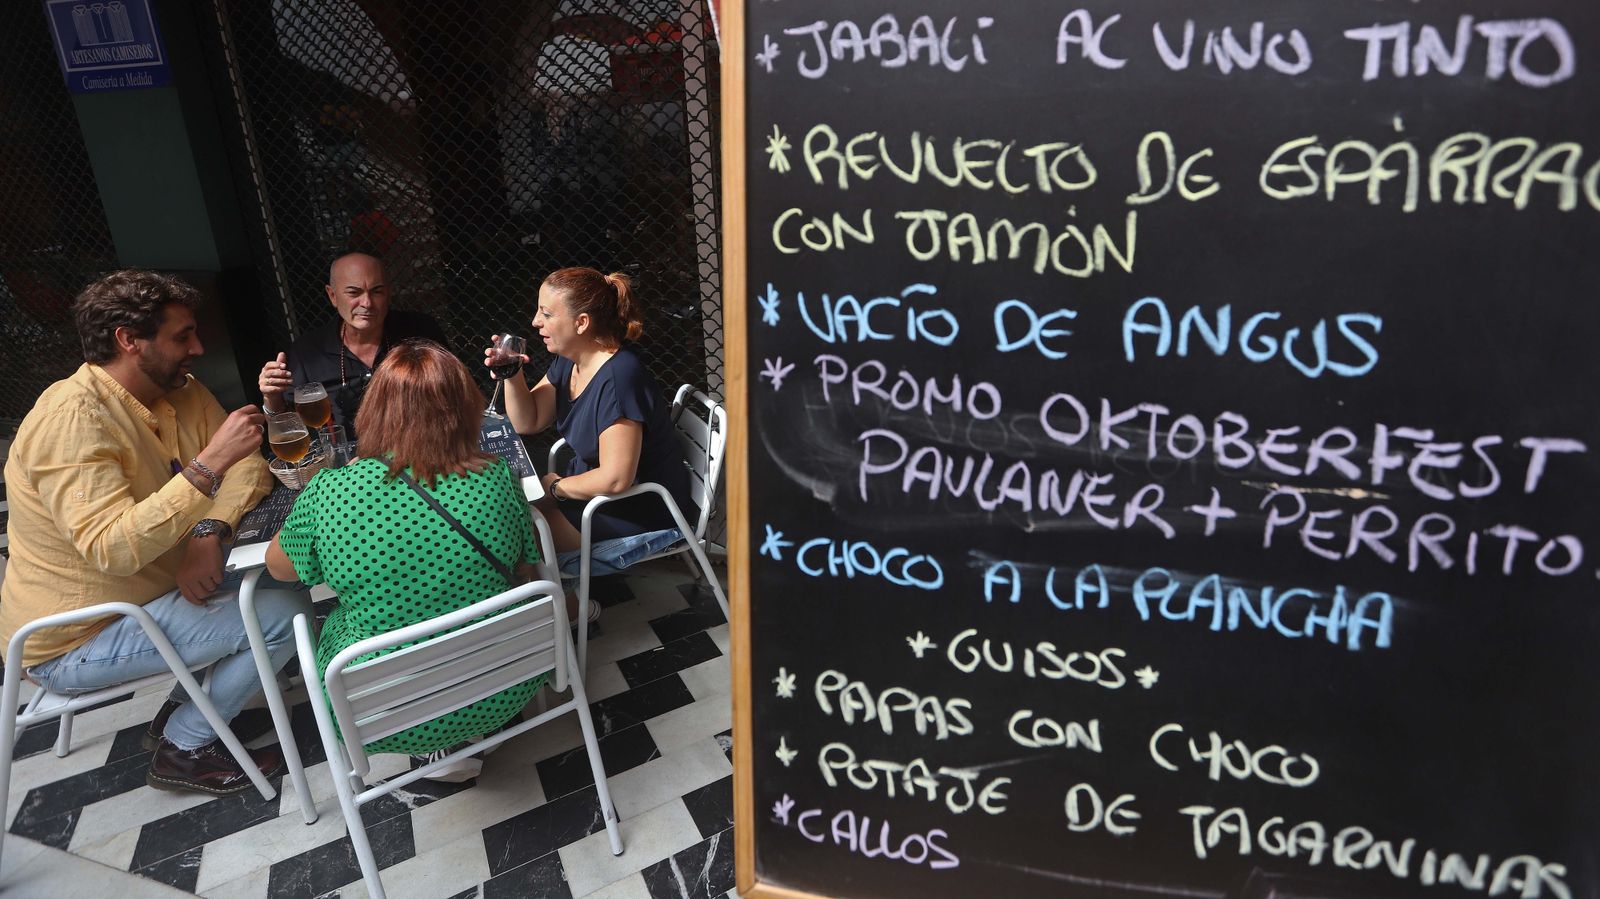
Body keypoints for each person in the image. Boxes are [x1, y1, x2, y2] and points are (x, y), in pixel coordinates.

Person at [0, 270, 313, 796]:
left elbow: (249, 468)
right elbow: (112, 548)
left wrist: (208, 531)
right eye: (181, 336)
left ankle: (179, 709)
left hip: (156, 591)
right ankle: (184, 747)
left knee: (283, 580)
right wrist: (209, 463)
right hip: (77, 636)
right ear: (128, 339)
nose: (198, 346)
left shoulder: (180, 390)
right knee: (286, 616)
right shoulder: (73, 419)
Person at [265, 340, 545, 779]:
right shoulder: (496, 476)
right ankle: (461, 734)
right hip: (510, 680)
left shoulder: (330, 492)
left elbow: (280, 568)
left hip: (380, 711)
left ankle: (441, 740)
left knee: (326, 618)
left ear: (374, 412)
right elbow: (526, 566)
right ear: (464, 407)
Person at [494, 267, 692, 566]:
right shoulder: (569, 362)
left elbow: (615, 479)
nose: (535, 322)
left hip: (639, 508)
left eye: (546, 314)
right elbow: (529, 421)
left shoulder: (620, 379)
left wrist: (556, 487)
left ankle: (569, 610)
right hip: (594, 495)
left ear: (581, 322)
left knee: (514, 542)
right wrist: (512, 375)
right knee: (509, 520)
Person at [256, 252, 447, 437]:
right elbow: (286, 430)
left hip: (422, 451)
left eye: (377, 291)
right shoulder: (306, 352)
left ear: (388, 293)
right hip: (346, 465)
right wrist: (271, 397)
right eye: (354, 292)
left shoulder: (421, 331)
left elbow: (455, 396)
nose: (367, 303)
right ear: (332, 296)